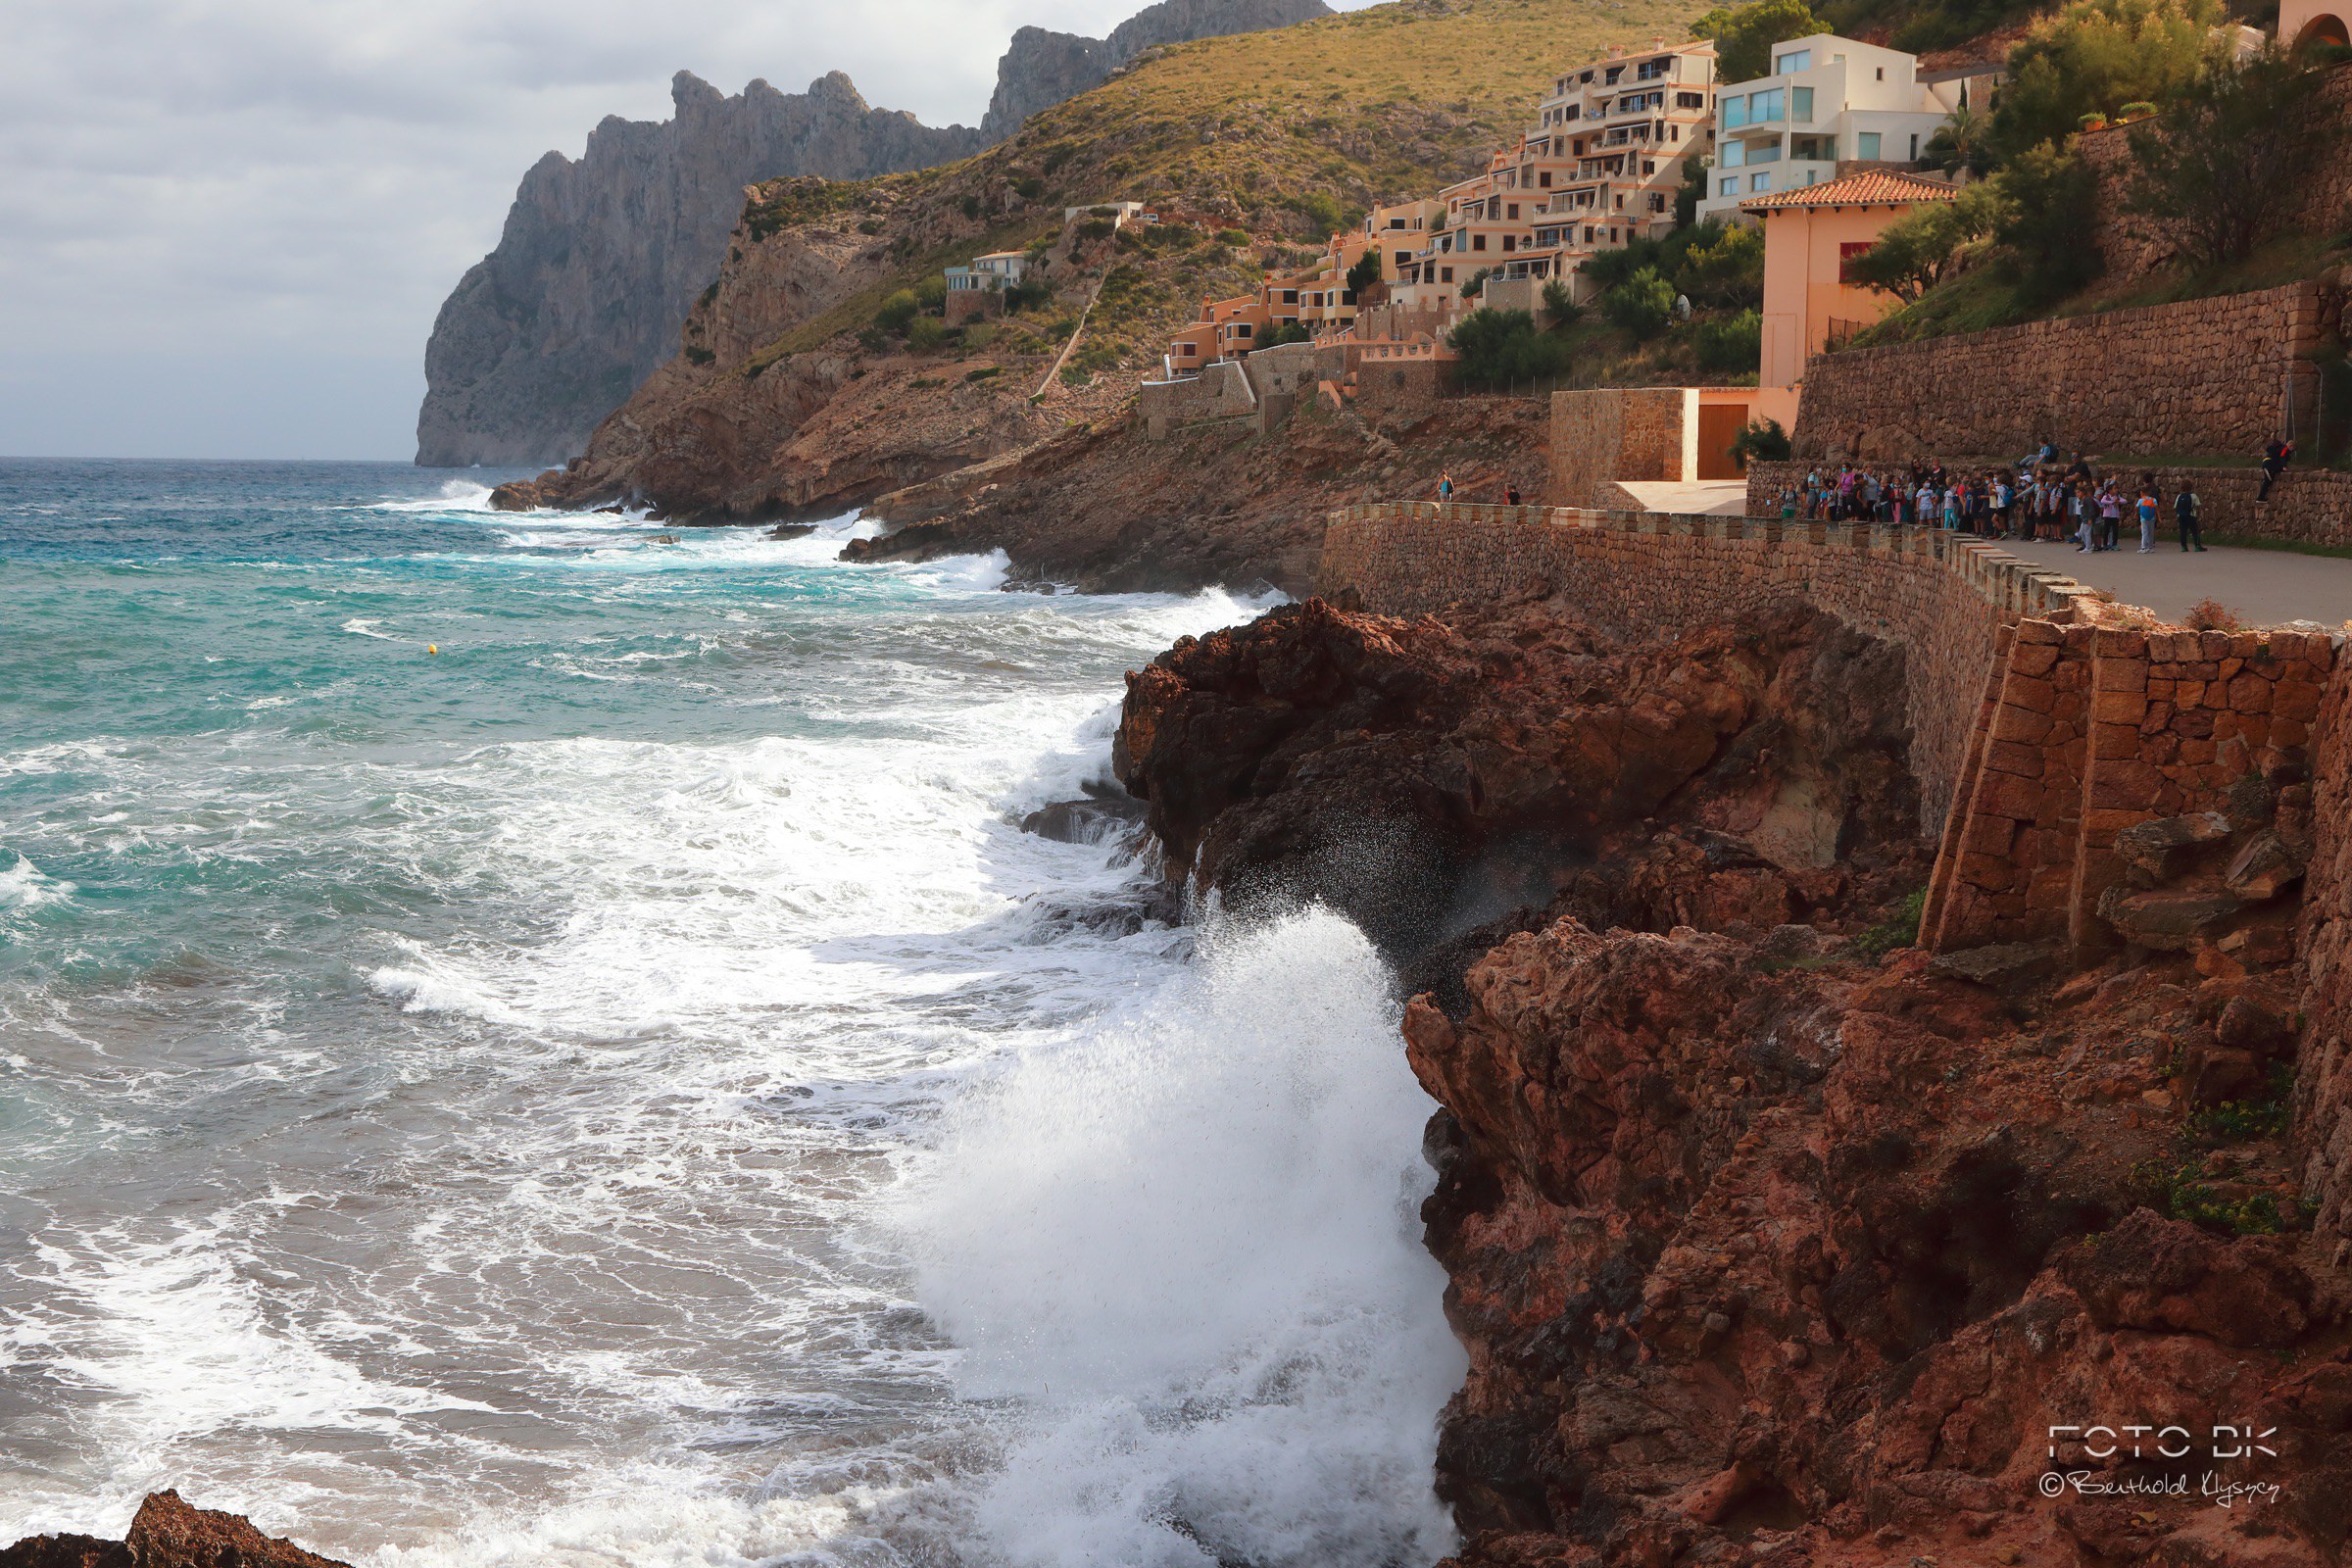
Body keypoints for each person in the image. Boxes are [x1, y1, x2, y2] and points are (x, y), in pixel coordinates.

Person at [2259, 437, 2293, 501]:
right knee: (2280, 469)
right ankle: (2269, 470)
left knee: (2268, 481)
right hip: (2269, 463)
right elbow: (2282, 456)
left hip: (2266, 462)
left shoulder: (2279, 448)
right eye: (2292, 448)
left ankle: (2260, 498)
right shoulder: (2285, 448)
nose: (2292, 450)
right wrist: (2284, 466)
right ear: (2290, 446)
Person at [2176, 483, 2205, 552]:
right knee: (2195, 531)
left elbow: (2176, 506)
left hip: (2181, 516)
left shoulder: (2179, 496)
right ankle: (2197, 546)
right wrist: (2200, 514)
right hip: (2191, 515)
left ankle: (2184, 547)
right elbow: (2198, 505)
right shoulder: (2193, 496)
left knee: (2183, 531)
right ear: (2191, 487)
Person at [2136, 486, 2159, 553]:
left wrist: (2136, 514)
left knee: (2144, 532)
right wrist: (2159, 518)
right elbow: (2156, 509)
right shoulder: (2153, 499)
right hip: (2152, 518)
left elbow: (2136, 508)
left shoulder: (2140, 500)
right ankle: (2150, 547)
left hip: (2143, 518)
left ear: (2141, 492)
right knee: (2151, 532)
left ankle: (2143, 547)